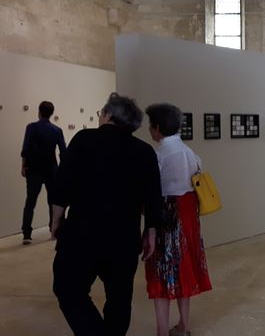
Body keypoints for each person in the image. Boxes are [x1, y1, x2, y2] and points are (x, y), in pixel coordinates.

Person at [51, 93, 163, 336]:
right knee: (119, 299)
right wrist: (151, 231)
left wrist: (56, 220)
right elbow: (154, 197)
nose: (99, 117)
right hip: (124, 238)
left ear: (109, 115)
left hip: (82, 235)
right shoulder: (144, 151)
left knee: (68, 289)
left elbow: (62, 186)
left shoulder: (84, 140)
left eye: (100, 113)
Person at [144, 103, 212, 336]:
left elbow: (150, 191)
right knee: (185, 269)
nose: (149, 131)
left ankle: (162, 330)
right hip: (189, 215)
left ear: (158, 128)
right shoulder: (189, 152)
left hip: (166, 216)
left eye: (151, 125)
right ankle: (184, 325)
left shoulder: (158, 155)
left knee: (161, 271)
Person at [20, 100, 66, 244]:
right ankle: (54, 229)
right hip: (52, 170)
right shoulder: (57, 130)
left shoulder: (31, 127)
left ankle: (27, 234)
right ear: (51, 113)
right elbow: (63, 152)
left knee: (30, 202)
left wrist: (23, 166)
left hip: (33, 169)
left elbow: (26, 149)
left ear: (39, 112)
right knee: (53, 201)